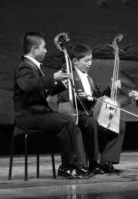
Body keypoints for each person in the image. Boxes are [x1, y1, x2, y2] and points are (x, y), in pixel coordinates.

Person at [13, 32, 88, 179]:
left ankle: (77, 164)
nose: (46, 50)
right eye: (44, 47)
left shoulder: (33, 67)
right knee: (66, 121)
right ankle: (67, 166)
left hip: (38, 113)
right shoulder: (24, 67)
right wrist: (53, 77)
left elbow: (41, 90)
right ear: (34, 49)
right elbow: (29, 86)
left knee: (68, 120)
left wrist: (61, 85)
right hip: (29, 115)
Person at [59, 43, 125, 174]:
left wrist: (111, 88)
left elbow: (98, 97)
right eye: (86, 60)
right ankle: (93, 162)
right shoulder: (70, 76)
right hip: (78, 113)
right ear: (75, 61)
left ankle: (106, 161)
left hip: (91, 113)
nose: (90, 63)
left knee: (119, 124)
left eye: (91, 60)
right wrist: (80, 97)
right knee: (91, 123)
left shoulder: (89, 78)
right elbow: (65, 97)